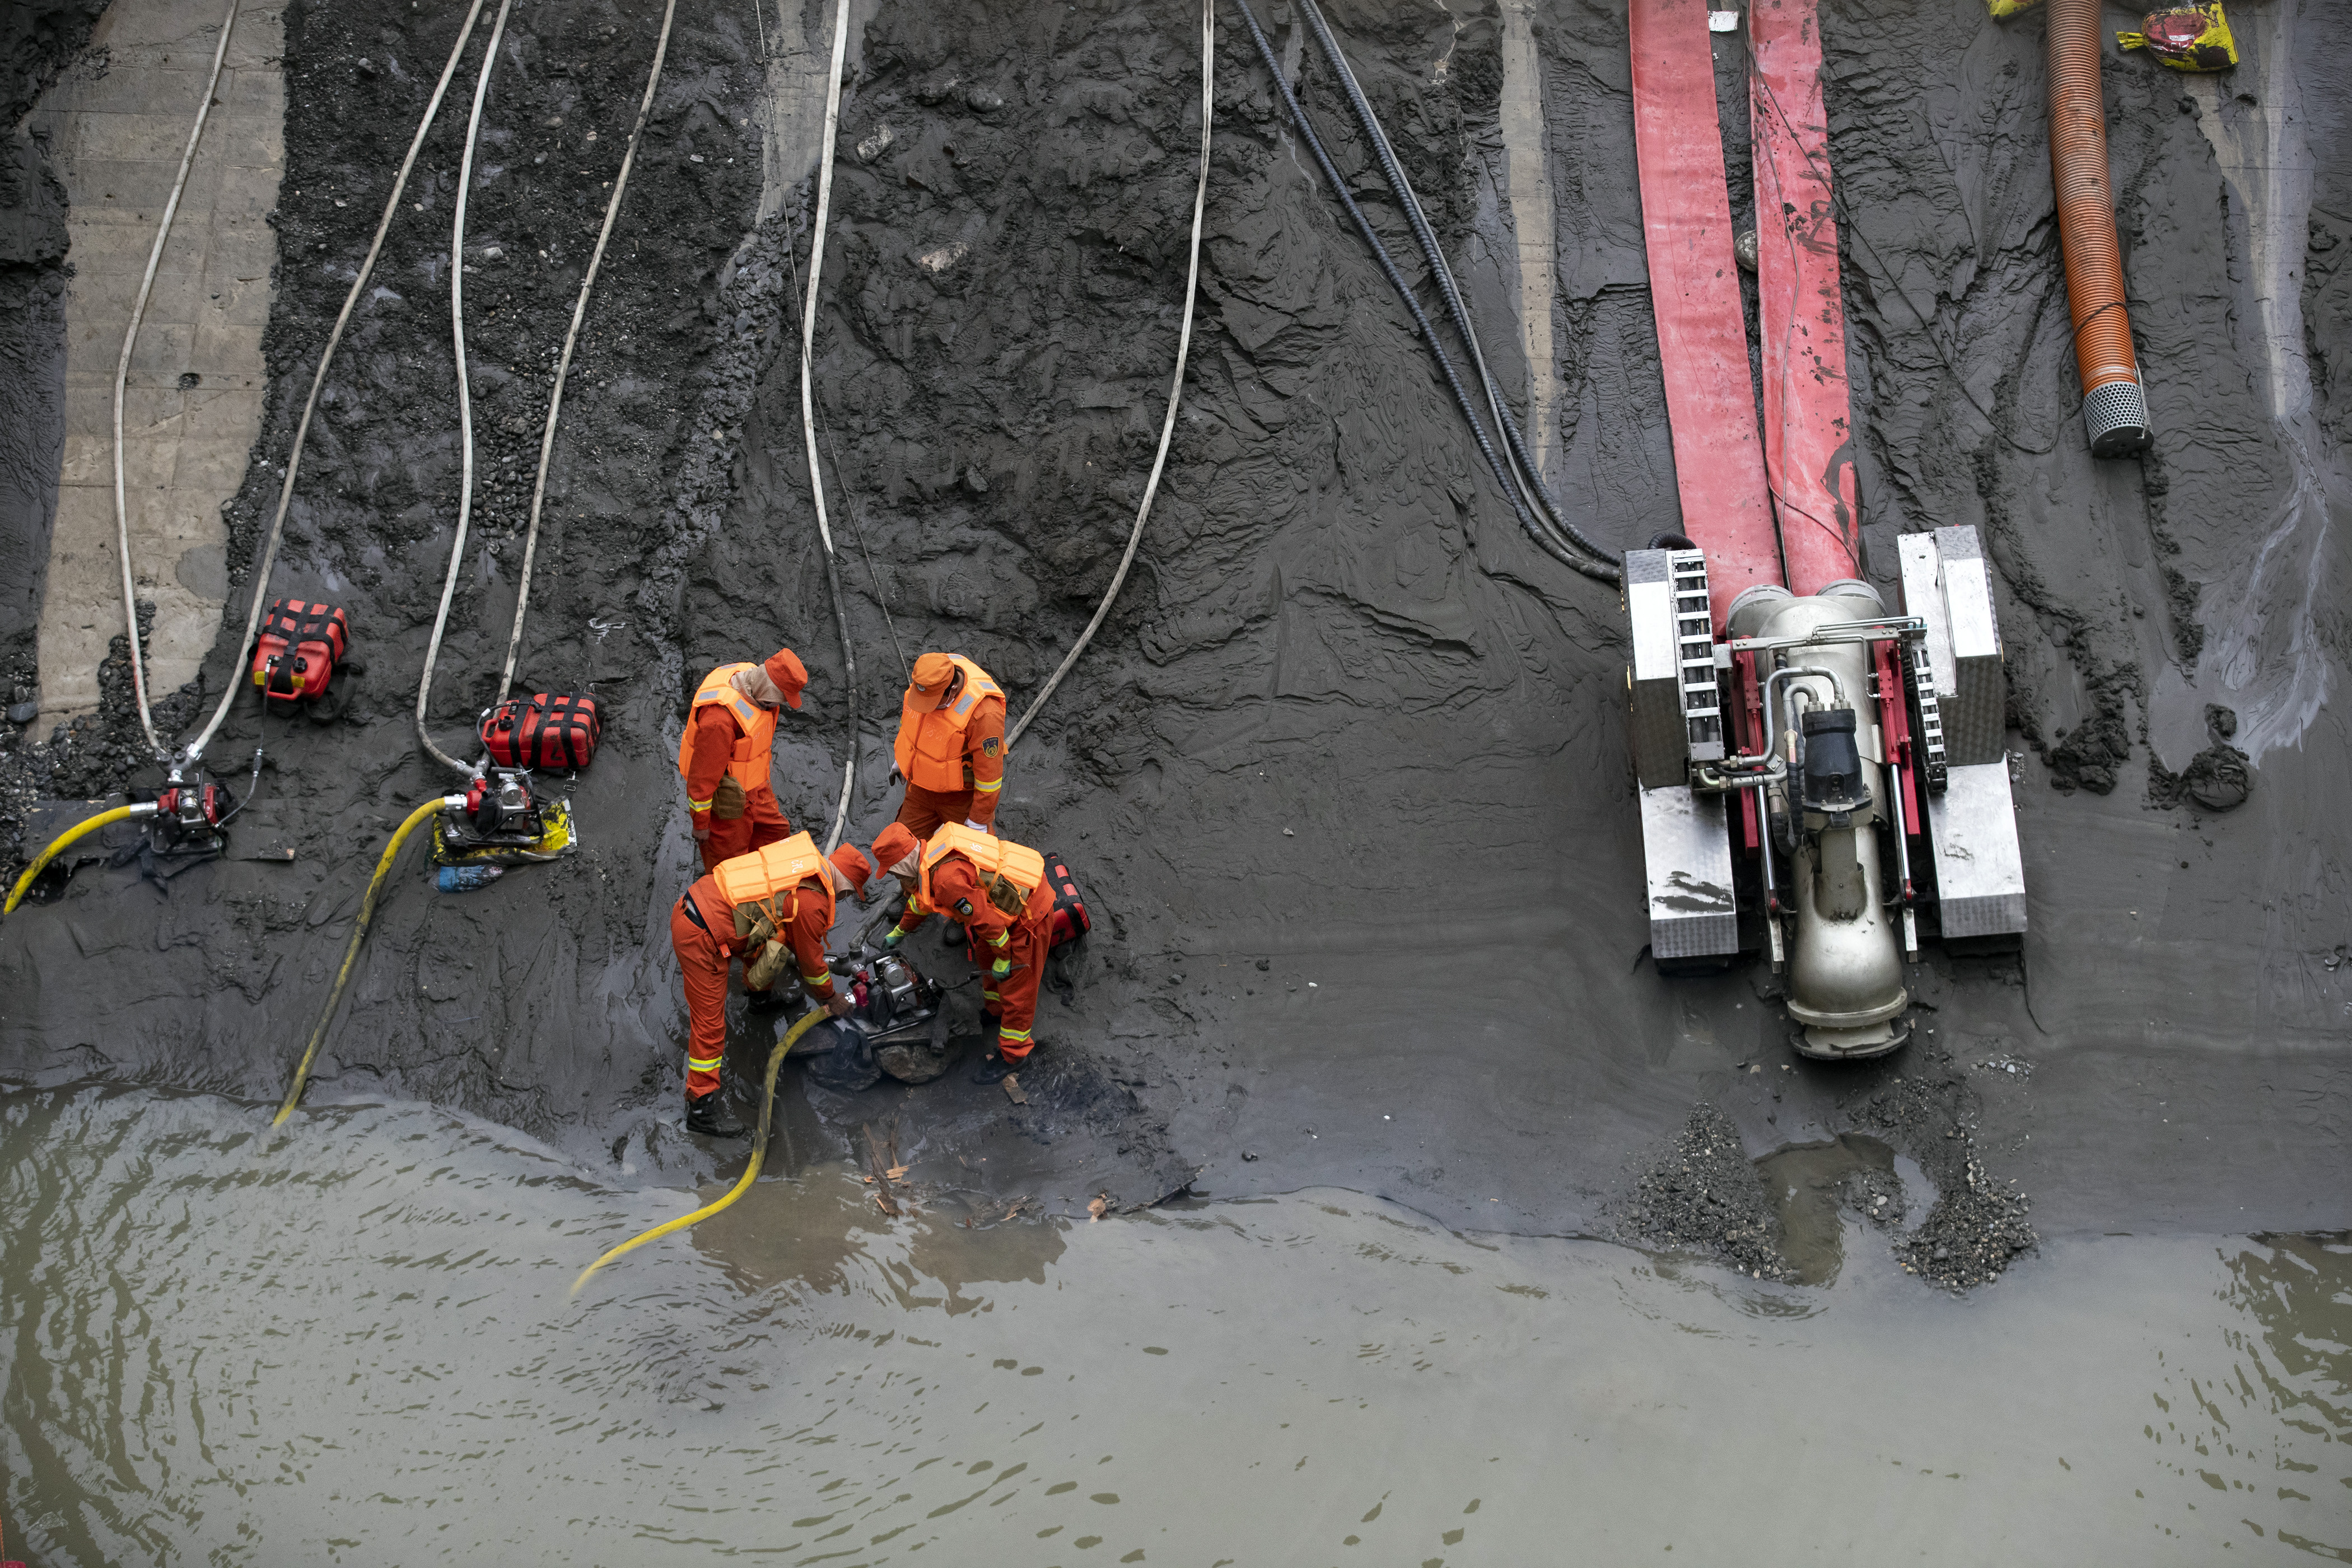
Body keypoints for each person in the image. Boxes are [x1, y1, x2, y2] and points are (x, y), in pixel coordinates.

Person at [669, 832, 872, 1137]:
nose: (846, 899)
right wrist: (831, 998)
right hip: (701, 935)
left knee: (770, 940)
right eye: (850, 892)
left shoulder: (804, 863)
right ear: (843, 883)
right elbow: (811, 964)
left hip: (703, 903)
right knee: (710, 1026)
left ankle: (759, 1000)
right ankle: (700, 1108)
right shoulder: (811, 901)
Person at [869, 820, 1052, 1081]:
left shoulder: (946, 880)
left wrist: (1005, 956)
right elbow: (922, 901)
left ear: (902, 865)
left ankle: (1014, 1054)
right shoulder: (929, 858)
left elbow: (989, 922)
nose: (897, 879)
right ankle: (995, 1011)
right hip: (1001, 912)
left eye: (895, 873)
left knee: (1018, 990)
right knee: (984, 959)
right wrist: (901, 930)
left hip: (1029, 915)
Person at [678, 648, 807, 874]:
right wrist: (701, 824)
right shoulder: (719, 722)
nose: (782, 704)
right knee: (730, 865)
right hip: (728, 805)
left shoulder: (751, 679)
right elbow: (702, 780)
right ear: (768, 688)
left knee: (776, 833)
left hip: (756, 790)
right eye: (782, 697)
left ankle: (763, 883)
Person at [891, 652, 1006, 839]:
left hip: (960, 799)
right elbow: (911, 727)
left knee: (972, 860)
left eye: (933, 703)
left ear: (952, 690)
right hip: (921, 788)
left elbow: (990, 778)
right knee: (901, 848)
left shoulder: (985, 715)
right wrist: (902, 760)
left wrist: (979, 820)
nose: (926, 707)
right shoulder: (930, 676)